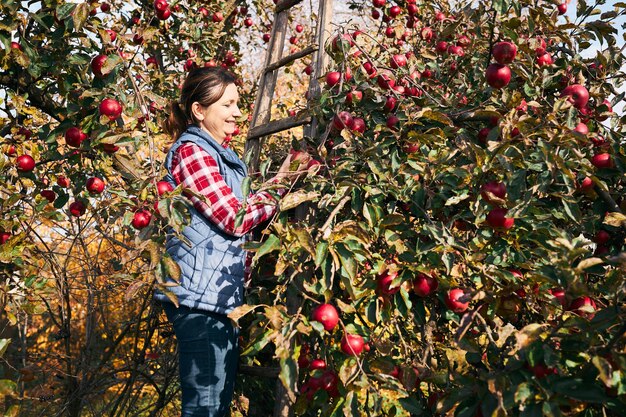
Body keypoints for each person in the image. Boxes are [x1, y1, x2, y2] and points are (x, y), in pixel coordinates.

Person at [154, 66, 307, 417]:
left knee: (215, 406)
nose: (238, 112)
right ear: (199, 110)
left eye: (237, 103)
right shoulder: (192, 152)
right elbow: (235, 218)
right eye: (229, 104)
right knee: (206, 409)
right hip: (198, 299)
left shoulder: (223, 156)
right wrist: (282, 183)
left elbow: (241, 209)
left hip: (217, 299)